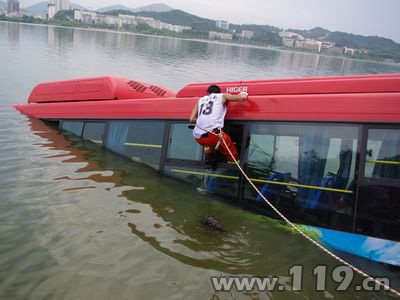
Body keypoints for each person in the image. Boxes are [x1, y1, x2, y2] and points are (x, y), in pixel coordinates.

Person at [190, 84, 248, 167]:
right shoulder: (222, 96)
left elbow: (191, 119)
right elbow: (242, 98)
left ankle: (208, 158)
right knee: (227, 142)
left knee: (208, 140)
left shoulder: (200, 100)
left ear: (207, 93)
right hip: (213, 137)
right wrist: (244, 93)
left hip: (198, 137)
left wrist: (203, 119)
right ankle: (233, 164)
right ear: (218, 93)